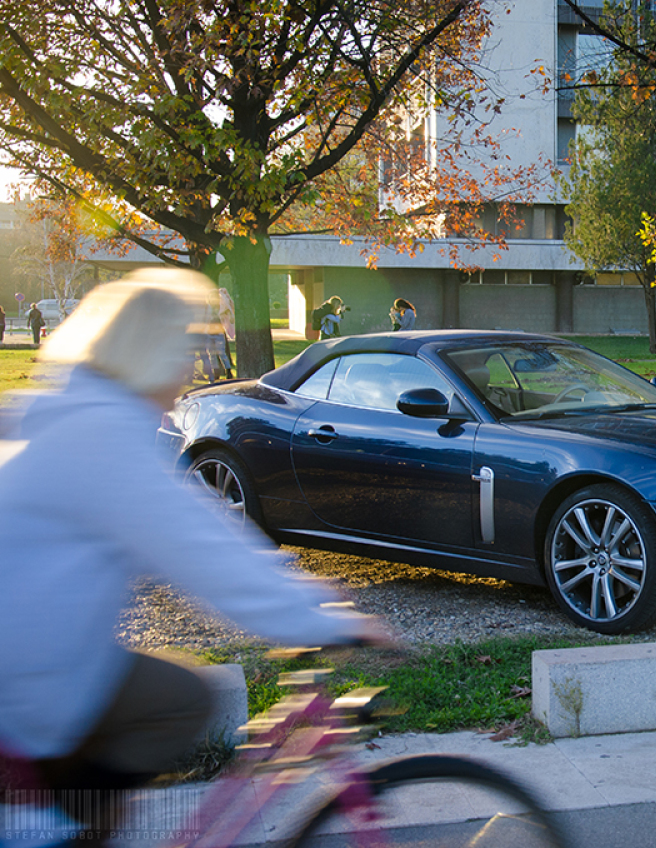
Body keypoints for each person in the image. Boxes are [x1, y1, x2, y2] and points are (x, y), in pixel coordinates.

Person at [0, 269, 383, 842]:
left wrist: (299, 598)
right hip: (27, 677)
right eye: (184, 351)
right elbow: (205, 555)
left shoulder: (76, 412)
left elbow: (201, 530)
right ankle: (53, 829)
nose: (190, 370)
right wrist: (319, 618)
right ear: (149, 354)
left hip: (42, 656)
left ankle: (66, 817)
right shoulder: (101, 437)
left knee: (171, 698)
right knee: (180, 701)